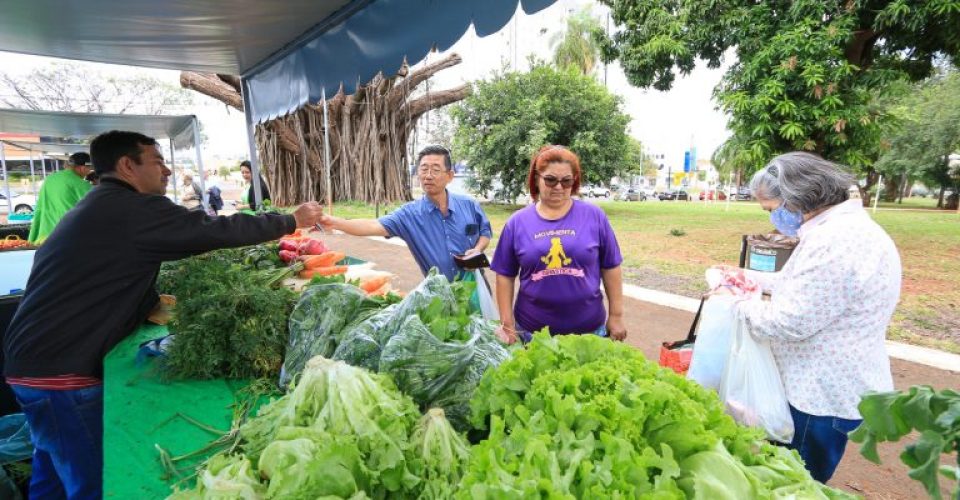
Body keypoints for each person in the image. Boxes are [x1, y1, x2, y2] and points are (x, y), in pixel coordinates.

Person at [3, 130, 325, 498]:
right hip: (64, 372)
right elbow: (207, 229)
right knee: (89, 481)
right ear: (127, 165)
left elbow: (103, 274)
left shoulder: (99, 204)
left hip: (32, 362)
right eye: (157, 162)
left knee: (53, 468)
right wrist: (289, 220)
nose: (168, 171)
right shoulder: (129, 208)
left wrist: (149, 302)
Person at [718, 151, 900, 483]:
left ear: (797, 197)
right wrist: (747, 277)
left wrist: (735, 303)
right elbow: (806, 287)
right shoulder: (839, 230)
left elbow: (790, 321)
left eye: (772, 210)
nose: (773, 219)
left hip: (818, 395)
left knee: (794, 484)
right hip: (826, 386)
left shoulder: (837, 240)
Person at [490, 145, 626, 343]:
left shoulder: (594, 216)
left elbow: (611, 266)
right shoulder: (517, 222)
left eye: (566, 181)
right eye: (550, 180)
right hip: (533, 334)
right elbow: (504, 275)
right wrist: (507, 323)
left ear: (574, 181)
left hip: (589, 332)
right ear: (537, 179)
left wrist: (616, 316)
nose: (559, 187)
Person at [319, 145, 493, 281]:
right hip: (440, 296)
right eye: (424, 169)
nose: (428, 176)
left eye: (436, 169)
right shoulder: (409, 215)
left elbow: (485, 232)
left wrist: (477, 250)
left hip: (476, 287)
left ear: (450, 176)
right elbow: (372, 225)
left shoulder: (469, 205)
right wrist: (334, 222)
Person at [27, 152, 93, 244]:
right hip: (67, 234)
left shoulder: (50, 178)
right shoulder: (81, 184)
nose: (89, 172)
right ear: (82, 167)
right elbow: (96, 207)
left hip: (45, 232)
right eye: (89, 168)